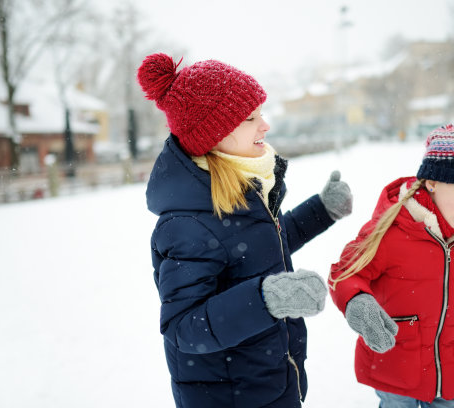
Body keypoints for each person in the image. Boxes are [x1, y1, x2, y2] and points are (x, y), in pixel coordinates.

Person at [137, 53, 353, 408]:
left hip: (272, 382)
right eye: (250, 117)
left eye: (261, 113)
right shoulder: (186, 223)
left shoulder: (244, 190)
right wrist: (268, 298)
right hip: (231, 396)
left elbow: (263, 245)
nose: (265, 125)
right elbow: (183, 328)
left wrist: (321, 211)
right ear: (214, 135)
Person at [328, 124, 454, 408]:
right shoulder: (392, 230)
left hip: (450, 371)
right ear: (432, 182)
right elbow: (345, 273)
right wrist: (357, 301)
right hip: (396, 365)